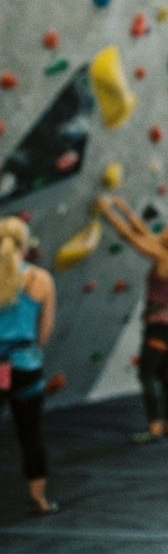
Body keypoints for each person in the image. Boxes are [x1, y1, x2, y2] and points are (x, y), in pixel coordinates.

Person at [98, 195, 168, 442]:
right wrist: (123, 206)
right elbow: (142, 231)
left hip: (159, 325)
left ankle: (156, 427)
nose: (165, 230)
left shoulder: (165, 257)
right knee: (164, 376)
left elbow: (132, 238)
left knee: (147, 374)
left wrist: (107, 212)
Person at [0, 217, 56, 513]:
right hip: (26, 365)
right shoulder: (40, 280)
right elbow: (43, 333)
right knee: (30, 434)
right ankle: (40, 500)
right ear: (24, 245)